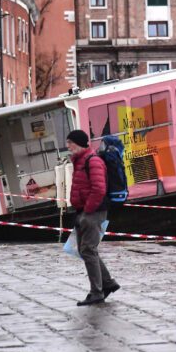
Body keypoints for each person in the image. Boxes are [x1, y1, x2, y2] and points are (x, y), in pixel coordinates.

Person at [67, 129, 120, 306]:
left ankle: (97, 292)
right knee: (85, 250)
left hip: (93, 211)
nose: (68, 146)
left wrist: (88, 211)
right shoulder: (80, 161)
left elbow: (99, 189)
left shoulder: (92, 160)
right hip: (84, 210)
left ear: (79, 143)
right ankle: (108, 283)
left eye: (70, 142)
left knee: (88, 250)